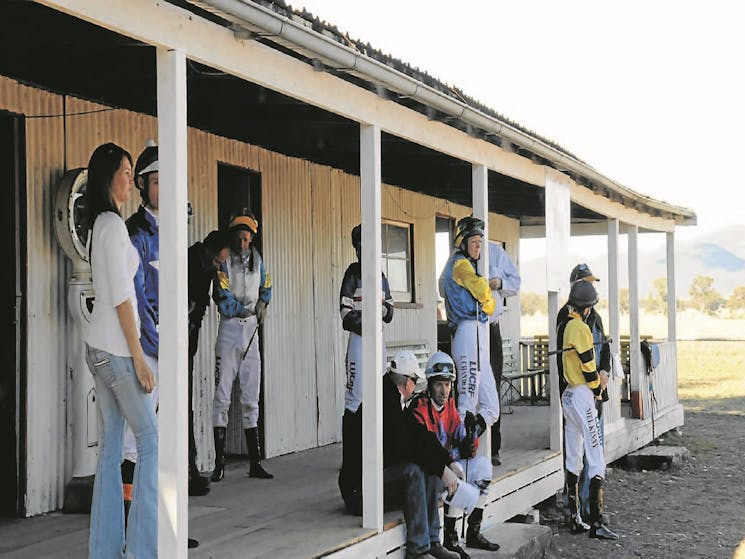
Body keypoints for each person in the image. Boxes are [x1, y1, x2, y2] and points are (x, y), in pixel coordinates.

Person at [84, 142, 157, 558]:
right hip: (116, 350)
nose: (131, 179)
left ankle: (105, 550)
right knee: (150, 440)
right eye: (126, 172)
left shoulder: (100, 224)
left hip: (98, 349)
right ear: (108, 176)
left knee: (112, 450)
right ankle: (144, 551)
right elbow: (120, 297)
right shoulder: (112, 225)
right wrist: (141, 359)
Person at [409, 351, 500, 558]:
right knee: (459, 475)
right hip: (432, 472)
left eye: (448, 384)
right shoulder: (419, 408)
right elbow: (433, 451)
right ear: (430, 383)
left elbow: (461, 436)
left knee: (483, 466)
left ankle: (473, 532)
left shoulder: (449, 405)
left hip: (447, 467)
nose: (444, 390)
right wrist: (458, 453)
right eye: (439, 384)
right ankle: (450, 539)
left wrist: (471, 436)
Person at [211, 209, 273, 481]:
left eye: (247, 239)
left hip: (251, 331)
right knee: (222, 395)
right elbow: (220, 294)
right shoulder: (224, 261)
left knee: (251, 396)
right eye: (239, 238)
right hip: (230, 327)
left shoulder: (258, 261)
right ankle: (219, 463)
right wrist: (242, 310)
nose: (242, 243)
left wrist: (262, 303)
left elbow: (267, 285)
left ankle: (255, 462)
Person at [337, 223, 394, 515]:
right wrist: (369, 322)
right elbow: (345, 313)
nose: (364, 252)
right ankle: (350, 481)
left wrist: (378, 315)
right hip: (360, 343)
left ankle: (377, 475)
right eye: (360, 247)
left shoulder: (381, 275)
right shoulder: (352, 274)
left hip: (379, 344)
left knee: (382, 400)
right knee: (355, 402)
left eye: (368, 247)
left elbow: (390, 311)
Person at [120, 142, 162, 524]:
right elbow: (135, 298)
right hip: (147, 350)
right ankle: (133, 519)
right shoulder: (136, 232)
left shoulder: (172, 229)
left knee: (166, 437)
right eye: (156, 181)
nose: (163, 188)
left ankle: (166, 523)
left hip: (169, 346)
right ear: (141, 185)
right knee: (136, 439)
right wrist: (158, 344)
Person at [382, 350, 458, 559]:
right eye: (415, 381)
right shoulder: (386, 402)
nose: (415, 387)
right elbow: (407, 448)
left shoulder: (393, 398)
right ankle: (418, 550)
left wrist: (447, 463)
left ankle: (433, 541)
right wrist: (441, 468)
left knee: (427, 467)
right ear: (407, 382)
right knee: (414, 470)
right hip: (364, 492)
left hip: (379, 480)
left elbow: (422, 436)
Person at [558, 280, 618, 540]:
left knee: (574, 457)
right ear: (586, 308)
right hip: (582, 395)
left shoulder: (564, 325)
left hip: (568, 396)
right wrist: (598, 390)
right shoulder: (580, 328)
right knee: (596, 458)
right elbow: (588, 366)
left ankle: (575, 517)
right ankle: (596, 522)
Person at [437, 216, 497, 450]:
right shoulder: (460, 263)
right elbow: (484, 291)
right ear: (462, 242)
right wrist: (485, 295)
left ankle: (467, 440)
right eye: (473, 240)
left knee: (491, 406)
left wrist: (486, 300)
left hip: (478, 331)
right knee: (467, 399)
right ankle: (454, 454)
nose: (477, 245)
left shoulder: (469, 266)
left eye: (480, 241)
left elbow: (489, 306)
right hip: (467, 330)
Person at [188, 230, 230, 487]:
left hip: (188, 338)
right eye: (217, 262)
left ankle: (189, 466)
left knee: (187, 404)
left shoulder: (208, 268)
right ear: (208, 253)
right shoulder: (192, 262)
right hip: (167, 339)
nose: (218, 267)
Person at [486, 241, 521, 466]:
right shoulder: (459, 257)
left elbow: (515, 283)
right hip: (469, 327)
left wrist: (499, 283)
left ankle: (493, 448)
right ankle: (471, 446)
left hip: (491, 327)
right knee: (470, 387)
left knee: (493, 387)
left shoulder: (496, 252)